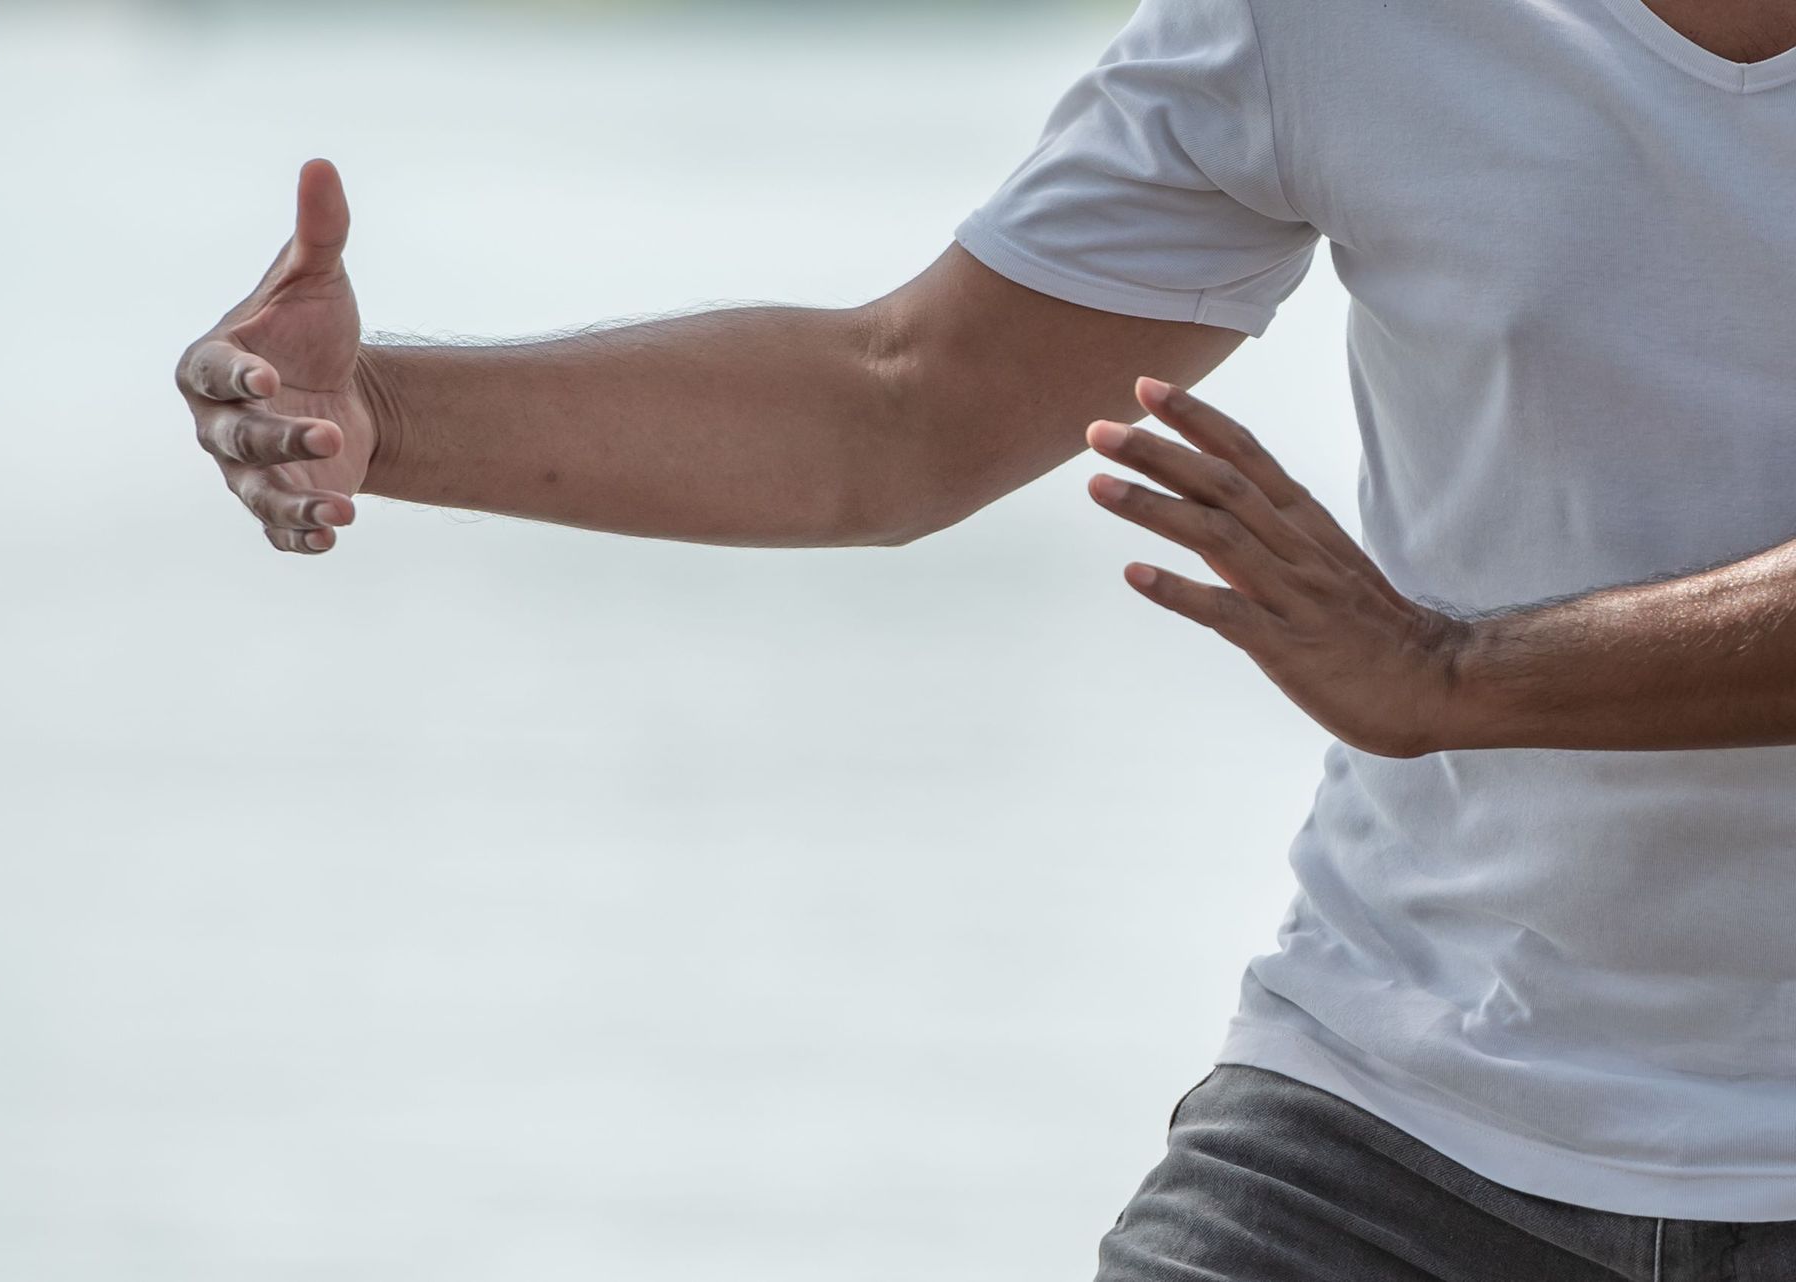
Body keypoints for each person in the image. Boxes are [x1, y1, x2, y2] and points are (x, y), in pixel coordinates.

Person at [175, 0, 1796, 1275]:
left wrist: (1453, 679)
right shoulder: (1345, 22)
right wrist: (379, 413)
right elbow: (906, 406)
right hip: (1399, 1113)